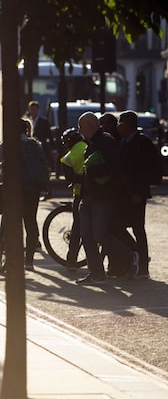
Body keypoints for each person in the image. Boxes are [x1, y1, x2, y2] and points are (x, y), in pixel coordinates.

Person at [0, 118, 49, 271]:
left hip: (14, 189)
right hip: (32, 189)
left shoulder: (10, 144)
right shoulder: (36, 145)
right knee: (30, 222)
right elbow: (44, 165)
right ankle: (29, 261)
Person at [75, 112, 139, 285]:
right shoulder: (93, 142)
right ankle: (96, 273)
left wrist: (92, 169)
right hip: (90, 196)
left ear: (88, 125)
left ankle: (130, 255)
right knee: (87, 236)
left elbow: (112, 168)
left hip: (103, 196)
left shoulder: (105, 141)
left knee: (100, 234)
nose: (79, 130)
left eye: (81, 127)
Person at [115, 110, 153, 278]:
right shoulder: (124, 141)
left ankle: (143, 266)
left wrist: (140, 192)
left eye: (120, 123)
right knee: (117, 225)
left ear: (127, 125)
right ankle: (136, 253)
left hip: (137, 194)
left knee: (138, 228)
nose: (118, 126)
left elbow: (146, 170)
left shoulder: (141, 142)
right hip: (125, 192)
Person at [59, 127, 87, 271]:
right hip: (97, 191)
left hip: (80, 193)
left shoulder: (72, 153)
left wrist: (76, 179)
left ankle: (71, 262)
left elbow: (67, 168)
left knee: (77, 229)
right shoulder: (88, 146)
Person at [28, 100, 56, 196]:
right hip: (31, 149)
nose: (33, 111)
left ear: (38, 110)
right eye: (31, 109)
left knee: (42, 169)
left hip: (42, 148)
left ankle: (47, 190)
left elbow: (49, 136)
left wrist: (53, 149)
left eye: (35, 109)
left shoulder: (44, 121)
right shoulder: (28, 120)